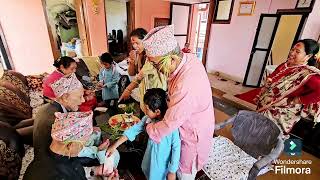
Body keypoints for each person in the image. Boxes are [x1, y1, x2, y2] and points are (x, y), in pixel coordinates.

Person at [142, 25, 214, 179]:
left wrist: (148, 128)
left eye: (156, 64)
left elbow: (169, 124)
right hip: (188, 122)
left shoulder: (186, 84)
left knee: (182, 173)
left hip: (192, 135)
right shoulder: (189, 59)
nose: (155, 69)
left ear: (172, 58)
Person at [25, 73, 119, 180]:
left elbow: (74, 167)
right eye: (80, 96)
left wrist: (96, 170)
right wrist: (96, 151)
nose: (83, 100)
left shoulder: (49, 109)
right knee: (111, 154)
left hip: (49, 159)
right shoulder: (62, 172)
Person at [107, 88, 181, 180]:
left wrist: (172, 171)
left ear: (157, 111)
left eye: (147, 109)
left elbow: (176, 149)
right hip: (149, 160)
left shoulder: (171, 127)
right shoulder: (148, 119)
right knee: (148, 172)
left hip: (161, 166)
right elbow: (133, 130)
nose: (145, 111)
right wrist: (114, 146)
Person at [255, 39, 320, 134]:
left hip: (280, 115)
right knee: (254, 132)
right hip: (264, 106)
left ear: (308, 56)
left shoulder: (307, 74)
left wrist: (298, 100)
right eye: (292, 49)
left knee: (267, 138)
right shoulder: (285, 65)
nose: (292, 53)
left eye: (297, 51)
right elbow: (272, 78)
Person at [119, 29, 167, 113]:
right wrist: (132, 61)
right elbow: (131, 73)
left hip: (155, 92)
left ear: (146, 41)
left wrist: (128, 90)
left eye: (137, 43)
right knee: (144, 113)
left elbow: (140, 75)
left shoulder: (151, 56)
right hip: (144, 91)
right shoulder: (137, 54)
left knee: (152, 115)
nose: (134, 46)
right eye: (133, 43)